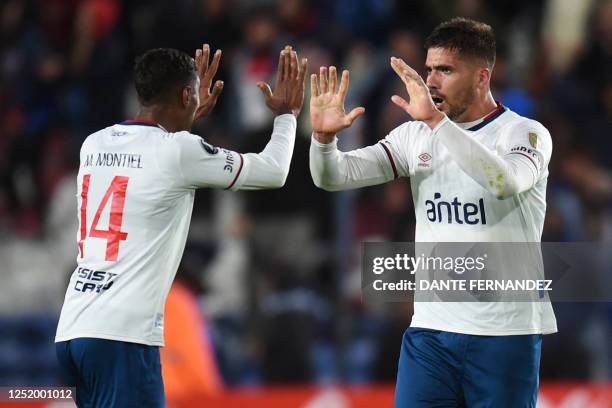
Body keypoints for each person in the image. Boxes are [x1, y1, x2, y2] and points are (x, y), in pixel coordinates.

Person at [309, 18, 557, 407]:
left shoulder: (524, 133)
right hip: (431, 333)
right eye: (429, 69)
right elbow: (335, 177)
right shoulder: (416, 135)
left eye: (445, 70)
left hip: (506, 332)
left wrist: (435, 122)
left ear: (481, 77)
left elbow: (504, 182)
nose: (432, 81)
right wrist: (324, 142)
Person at [55, 44, 307, 407]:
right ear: (188, 93)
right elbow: (274, 171)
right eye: (193, 93)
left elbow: (151, 163)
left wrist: (185, 120)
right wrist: (286, 115)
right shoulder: (178, 151)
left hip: (74, 329)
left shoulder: (94, 143)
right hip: (123, 337)